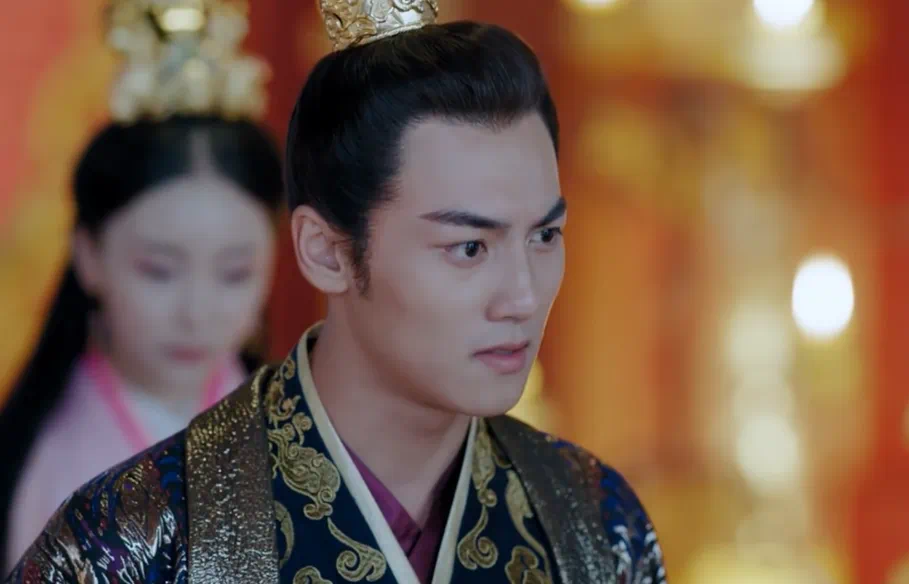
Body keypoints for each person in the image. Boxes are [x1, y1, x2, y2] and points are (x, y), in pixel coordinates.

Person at [5, 0, 668, 583]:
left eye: (545, 237)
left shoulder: (595, 523)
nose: (522, 296)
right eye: (469, 247)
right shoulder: (130, 545)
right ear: (326, 252)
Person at [0, 0, 283, 573]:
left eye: (235, 272)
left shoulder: (289, 429)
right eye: (159, 270)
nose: (198, 312)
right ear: (89, 255)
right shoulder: (56, 467)